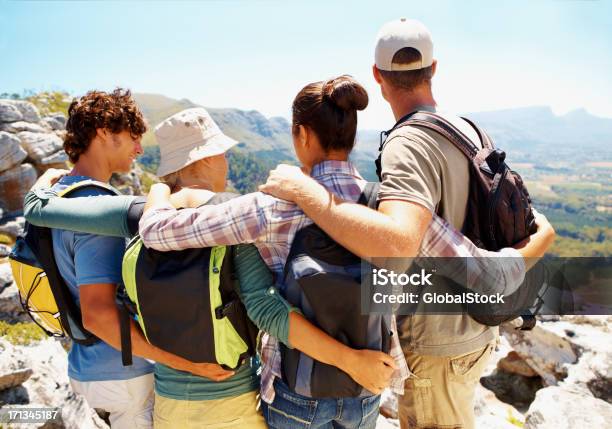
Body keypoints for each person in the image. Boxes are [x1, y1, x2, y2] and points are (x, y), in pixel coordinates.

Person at [139, 75, 553, 428]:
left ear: (301, 135)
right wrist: (537, 237)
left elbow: (158, 233)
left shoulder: (272, 206)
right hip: (367, 389)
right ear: (352, 137)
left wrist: (158, 191)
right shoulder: (395, 213)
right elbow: (490, 276)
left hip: (297, 393)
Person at [257, 20, 557, 429]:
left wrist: (305, 192)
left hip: (435, 342)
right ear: (434, 68)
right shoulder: (465, 128)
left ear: (377, 76)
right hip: (472, 330)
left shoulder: (408, 143)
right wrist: (538, 244)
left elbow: (397, 243)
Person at [25, 106, 396, 429]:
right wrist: (350, 360)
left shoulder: (142, 214)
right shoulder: (232, 217)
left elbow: (43, 210)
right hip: (233, 402)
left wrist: (38, 190)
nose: (226, 162)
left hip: (171, 407)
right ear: (201, 160)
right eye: (221, 154)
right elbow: (264, 309)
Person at [46, 89, 234, 429]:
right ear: (104, 132)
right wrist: (184, 364)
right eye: (133, 137)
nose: (139, 149)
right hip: (124, 375)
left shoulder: (61, 195)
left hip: (88, 365)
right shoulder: (93, 207)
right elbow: (98, 314)